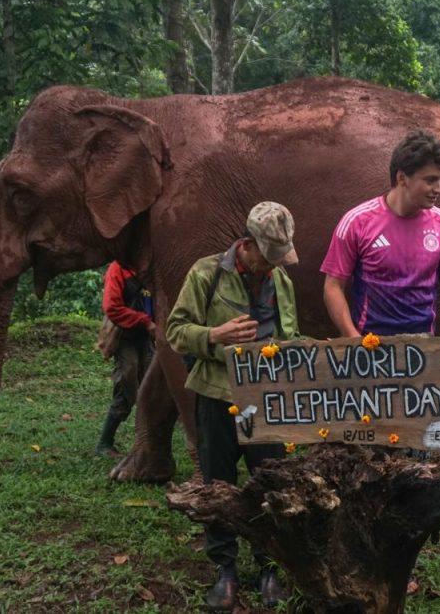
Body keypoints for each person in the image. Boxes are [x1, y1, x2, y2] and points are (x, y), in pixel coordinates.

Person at [165, 201, 300, 612]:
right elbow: (175, 331)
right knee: (219, 482)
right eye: (268, 257)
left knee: (270, 481)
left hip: (264, 399)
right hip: (217, 396)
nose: (273, 266)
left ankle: (269, 565)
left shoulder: (281, 281)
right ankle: (224, 567)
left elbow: (291, 333)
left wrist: (296, 352)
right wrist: (215, 335)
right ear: (247, 245)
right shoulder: (207, 274)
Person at [321, 129, 440, 340]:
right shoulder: (357, 222)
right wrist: (353, 339)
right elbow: (333, 286)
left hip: (424, 346)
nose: (439, 189)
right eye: (430, 180)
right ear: (402, 178)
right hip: (370, 343)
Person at [96, 261, 155, 457]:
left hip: (149, 337)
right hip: (125, 337)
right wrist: (145, 321)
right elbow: (112, 307)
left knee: (152, 386)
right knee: (127, 385)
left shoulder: (152, 266)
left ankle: (149, 443)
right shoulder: (118, 269)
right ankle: (105, 443)